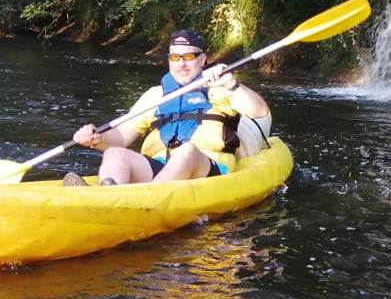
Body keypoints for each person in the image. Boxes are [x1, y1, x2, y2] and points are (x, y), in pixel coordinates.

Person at [63, 29, 272, 186]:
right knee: (115, 153)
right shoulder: (156, 96)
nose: (181, 64)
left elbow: (259, 111)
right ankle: (105, 202)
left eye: (189, 57)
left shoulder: (219, 88)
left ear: (203, 59)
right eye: (175, 57)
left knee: (187, 151)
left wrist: (230, 84)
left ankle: (146, 203)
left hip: (207, 170)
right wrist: (96, 139)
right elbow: (120, 137)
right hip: (162, 168)